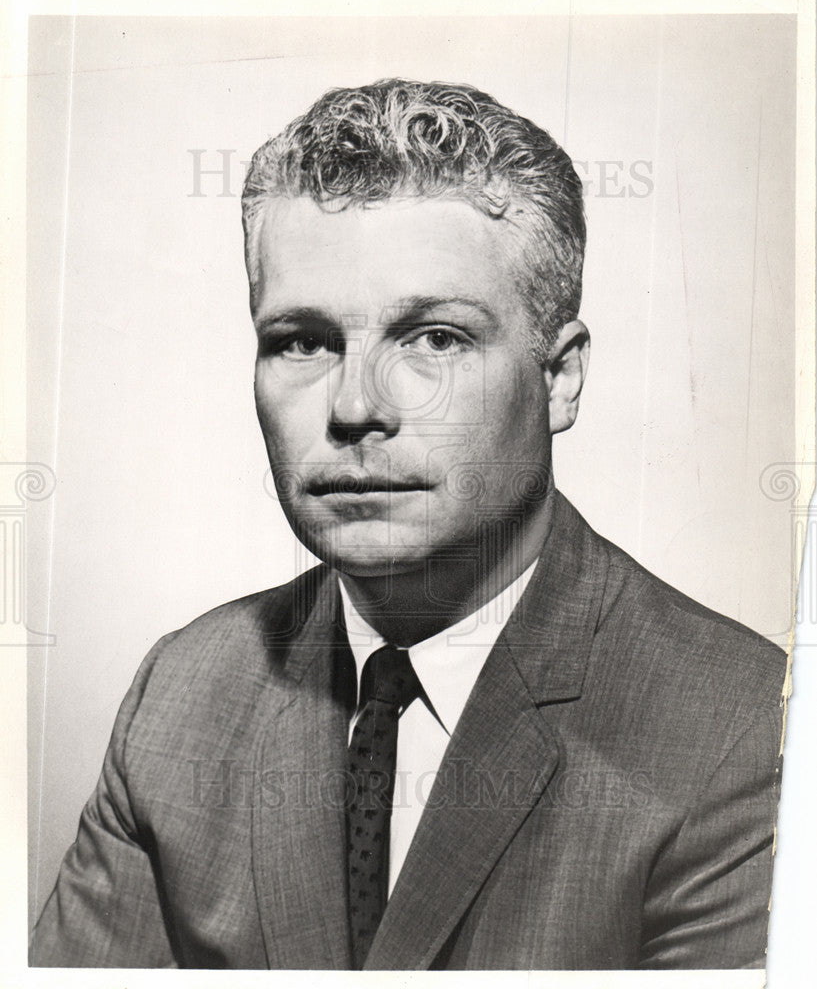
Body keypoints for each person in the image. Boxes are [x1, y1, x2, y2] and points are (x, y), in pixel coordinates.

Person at [30, 78, 786, 970]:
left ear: (561, 379)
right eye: (302, 341)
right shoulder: (183, 693)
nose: (354, 407)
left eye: (433, 338)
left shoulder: (742, 730)